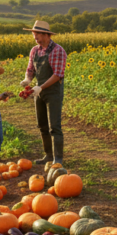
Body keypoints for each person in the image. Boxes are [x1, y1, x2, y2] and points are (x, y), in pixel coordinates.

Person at [20, 21, 67, 167]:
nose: (35, 37)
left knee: (55, 126)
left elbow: (58, 75)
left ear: (47, 35)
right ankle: (48, 155)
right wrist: (28, 79)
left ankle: (58, 158)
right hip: (38, 91)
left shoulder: (57, 50)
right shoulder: (35, 50)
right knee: (42, 125)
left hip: (53, 92)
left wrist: (40, 87)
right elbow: (30, 69)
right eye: (34, 34)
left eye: (38, 34)